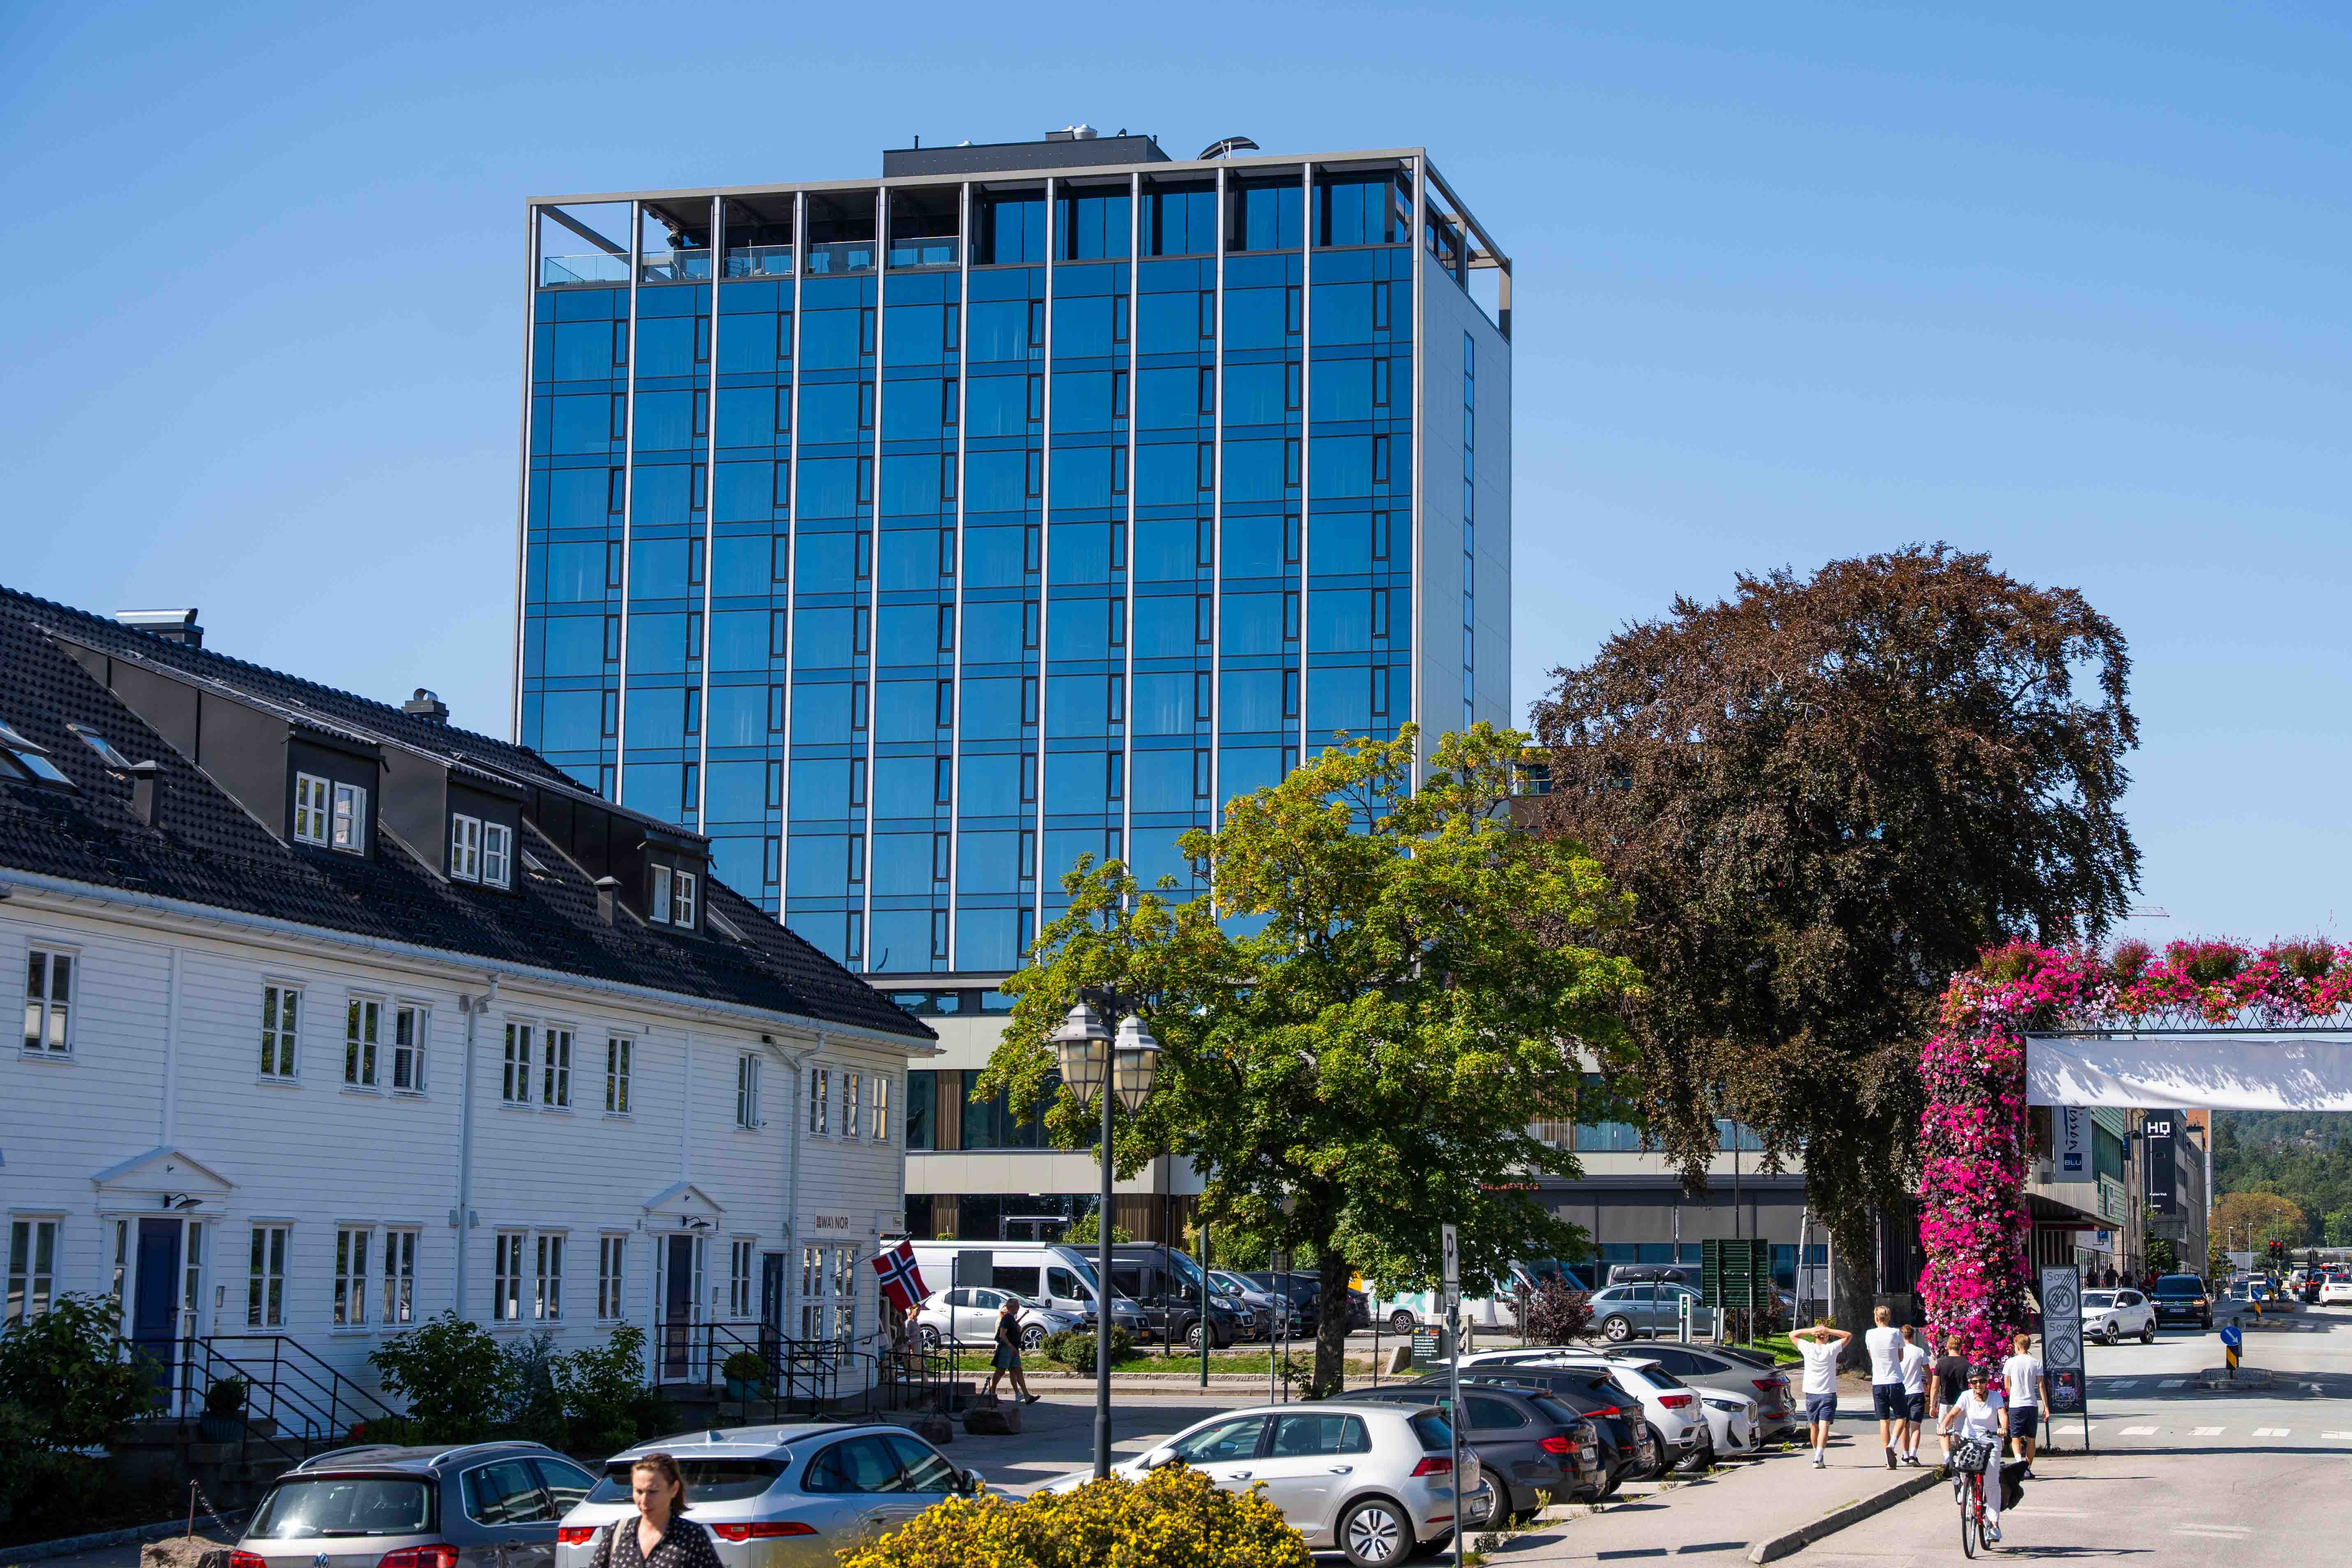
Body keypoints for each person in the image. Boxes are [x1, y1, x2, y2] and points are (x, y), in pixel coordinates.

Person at [586, 1453, 724, 1568]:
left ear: (674, 1489)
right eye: (639, 1491)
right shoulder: (618, 1532)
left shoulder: (692, 1536)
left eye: (653, 1492)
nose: (644, 1501)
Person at [1938, 1367, 2009, 1545]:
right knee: (1962, 1464)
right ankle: (1966, 1491)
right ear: (1971, 1383)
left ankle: (1994, 1524)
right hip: (1970, 1440)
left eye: (1982, 1381)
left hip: (1991, 1441)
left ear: (1987, 1382)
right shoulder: (1967, 1396)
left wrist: (2003, 1428)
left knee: (1992, 1483)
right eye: (1975, 1382)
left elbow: (2002, 1414)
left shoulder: (1995, 1397)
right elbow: (1953, 1413)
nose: (1979, 1385)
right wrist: (1944, 1426)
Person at [1790, 1318, 1853, 1468]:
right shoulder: (1831, 1349)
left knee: (1814, 1425)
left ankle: (1817, 1455)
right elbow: (1848, 1336)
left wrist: (1810, 1331)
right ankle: (1819, 1457)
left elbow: (1792, 1335)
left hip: (1811, 1393)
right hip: (1828, 1393)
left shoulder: (1807, 1348)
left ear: (1815, 1336)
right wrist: (1830, 1331)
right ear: (1826, 1337)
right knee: (1825, 1425)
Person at [1863, 1305, 1907, 1470]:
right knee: (1902, 1417)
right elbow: (1901, 1357)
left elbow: (1871, 1355)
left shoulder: (1869, 1335)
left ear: (1876, 1318)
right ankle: (1892, 1445)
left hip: (1878, 1382)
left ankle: (1887, 1458)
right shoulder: (1896, 1333)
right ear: (1889, 1318)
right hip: (1895, 1380)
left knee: (1884, 1421)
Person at [2001, 1331, 2047, 1473]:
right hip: (2032, 1404)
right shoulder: (2036, 1363)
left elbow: (2007, 1386)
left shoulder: (2010, 1362)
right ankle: (2027, 1468)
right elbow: (2041, 1385)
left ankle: (2019, 1464)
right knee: (2031, 1438)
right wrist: (2046, 1407)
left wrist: (2012, 1394)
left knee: (2015, 1436)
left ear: (2018, 1346)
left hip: (2016, 1404)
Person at [982, 1293, 1040, 1405]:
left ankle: (1027, 1396)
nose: (1019, 1308)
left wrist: (1023, 1316)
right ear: (1012, 1307)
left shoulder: (1011, 1318)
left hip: (1014, 1349)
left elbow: (1014, 1327)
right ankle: (991, 1393)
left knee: (1018, 1371)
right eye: (1017, 1306)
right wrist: (1010, 1346)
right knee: (1001, 1371)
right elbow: (1002, 1336)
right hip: (1007, 1349)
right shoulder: (1006, 1319)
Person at [1927, 1333, 1971, 1463]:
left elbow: (1935, 1386)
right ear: (1961, 1347)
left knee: (1943, 1431)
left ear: (1947, 1346)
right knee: (1961, 1431)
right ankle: (1959, 1455)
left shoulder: (1941, 1364)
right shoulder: (1967, 1364)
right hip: (1962, 1403)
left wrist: (1932, 1405)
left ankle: (1948, 1459)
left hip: (1946, 1402)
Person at [1896, 1324, 1931, 1466]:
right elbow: (1929, 1374)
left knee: (1904, 1425)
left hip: (1902, 1392)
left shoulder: (1897, 1353)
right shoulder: (1920, 1352)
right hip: (1917, 1392)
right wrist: (1929, 1388)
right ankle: (1913, 1455)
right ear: (1912, 1336)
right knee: (1916, 1426)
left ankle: (1905, 1455)